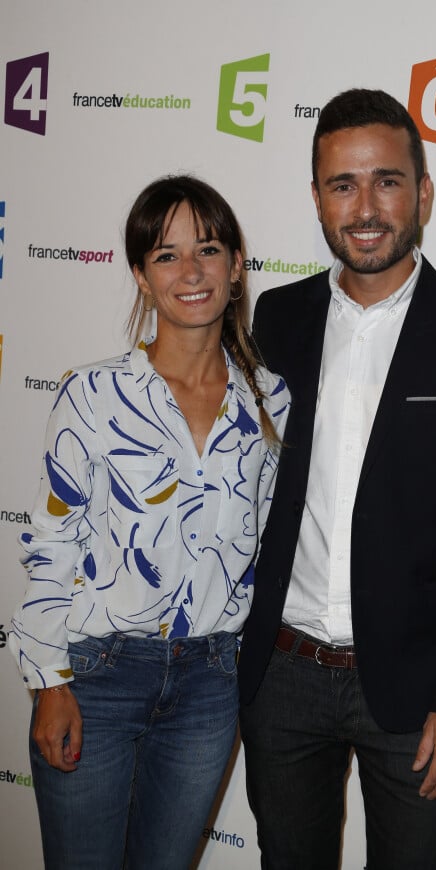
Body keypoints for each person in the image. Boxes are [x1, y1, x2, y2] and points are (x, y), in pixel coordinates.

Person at [238, 89, 436, 869]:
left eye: (387, 181)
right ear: (316, 198)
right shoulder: (278, 318)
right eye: (342, 184)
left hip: (417, 691)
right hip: (283, 679)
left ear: (423, 192)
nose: (365, 206)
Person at [9, 174, 290, 870]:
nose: (191, 271)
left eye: (209, 248)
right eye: (166, 255)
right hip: (96, 675)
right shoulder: (93, 393)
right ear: (140, 275)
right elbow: (51, 543)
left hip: (209, 683)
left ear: (236, 267)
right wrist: (49, 683)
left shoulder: (272, 403)